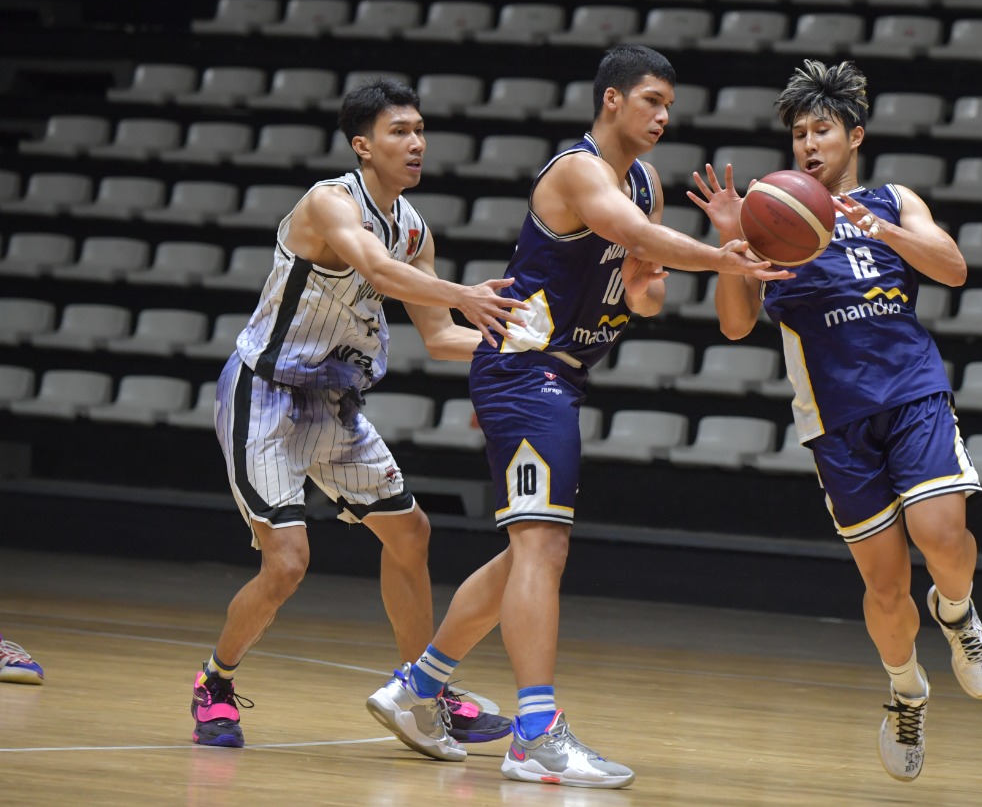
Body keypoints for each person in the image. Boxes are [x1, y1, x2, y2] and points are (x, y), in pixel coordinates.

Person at [365, 45, 789, 789]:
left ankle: (417, 686)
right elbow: (648, 239)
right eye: (652, 100)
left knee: (526, 554)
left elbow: (646, 292)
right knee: (543, 549)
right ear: (612, 100)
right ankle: (535, 730)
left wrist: (693, 257)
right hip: (524, 370)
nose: (664, 115)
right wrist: (721, 259)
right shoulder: (578, 170)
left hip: (558, 373)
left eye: (671, 105)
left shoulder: (648, 183)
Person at [190, 78, 527, 749]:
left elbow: (439, 337)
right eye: (400, 130)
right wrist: (465, 293)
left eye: (420, 129)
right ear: (362, 146)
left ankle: (422, 689)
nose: (416, 142)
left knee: (411, 533)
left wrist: (527, 345)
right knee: (286, 562)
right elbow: (376, 267)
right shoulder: (328, 203)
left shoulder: (416, 229)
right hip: (265, 396)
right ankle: (215, 682)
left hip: (332, 404)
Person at [696, 59, 982, 783]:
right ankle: (906, 692)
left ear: (853, 135)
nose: (808, 143)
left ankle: (956, 613)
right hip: (836, 422)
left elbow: (953, 268)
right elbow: (737, 326)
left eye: (821, 129)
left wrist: (881, 231)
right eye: (799, 132)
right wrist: (733, 248)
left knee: (943, 537)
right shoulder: (771, 219)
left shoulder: (894, 199)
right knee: (886, 586)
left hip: (913, 394)